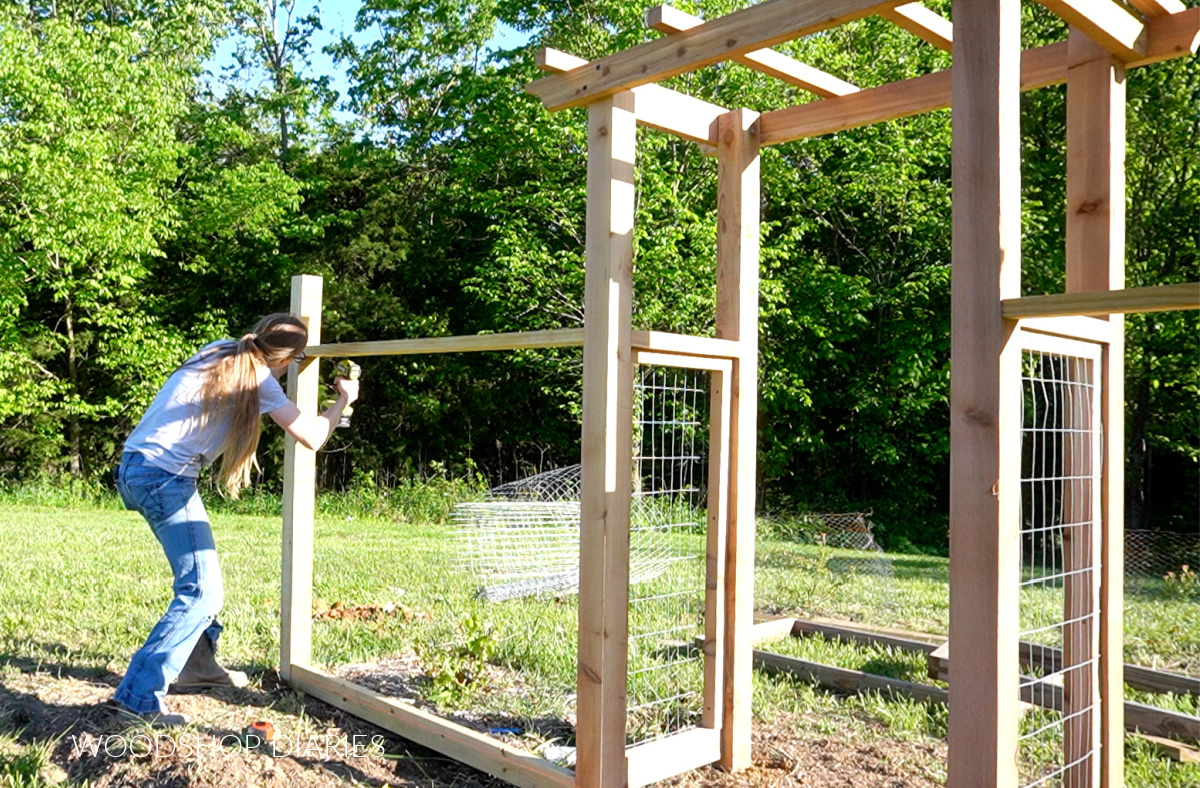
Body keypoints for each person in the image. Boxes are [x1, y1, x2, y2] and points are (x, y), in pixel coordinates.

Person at [112, 313, 359, 726]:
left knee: (200, 575)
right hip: (163, 478)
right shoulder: (258, 379)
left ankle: (195, 666)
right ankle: (137, 698)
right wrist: (343, 401)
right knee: (203, 591)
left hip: (137, 467)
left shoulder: (221, 350)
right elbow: (313, 437)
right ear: (288, 359)